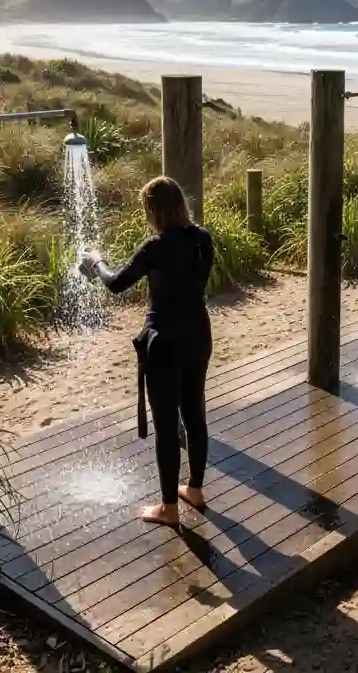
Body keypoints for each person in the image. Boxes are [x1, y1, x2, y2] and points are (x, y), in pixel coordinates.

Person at [79, 176, 214, 528]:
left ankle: (169, 509)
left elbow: (116, 283)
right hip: (198, 334)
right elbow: (193, 282)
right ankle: (195, 490)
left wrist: (96, 262)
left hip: (165, 342)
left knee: (167, 426)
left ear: (154, 210)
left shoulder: (155, 247)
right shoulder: (203, 240)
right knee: (195, 414)